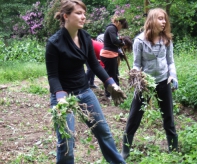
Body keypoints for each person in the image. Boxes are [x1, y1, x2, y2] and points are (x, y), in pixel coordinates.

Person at [45, 0, 126, 163]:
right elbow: (53, 76)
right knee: (66, 142)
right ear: (66, 16)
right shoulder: (54, 43)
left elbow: (94, 65)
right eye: (78, 13)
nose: (83, 17)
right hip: (63, 96)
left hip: (84, 92)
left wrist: (110, 82)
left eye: (84, 14)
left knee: (104, 133)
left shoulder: (85, 37)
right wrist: (61, 97)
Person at [121, 8, 178, 159]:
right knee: (135, 115)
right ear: (152, 20)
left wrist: (173, 75)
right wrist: (135, 76)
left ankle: (173, 148)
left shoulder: (166, 40)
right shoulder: (139, 41)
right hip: (145, 83)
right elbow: (136, 64)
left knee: (168, 116)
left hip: (163, 80)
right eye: (160, 18)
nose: (164, 21)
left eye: (165, 19)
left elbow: (170, 61)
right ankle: (125, 149)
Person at [100, 16, 128, 98]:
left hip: (111, 54)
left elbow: (115, 41)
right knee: (110, 75)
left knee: (114, 74)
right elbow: (114, 41)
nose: (120, 29)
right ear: (119, 23)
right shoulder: (112, 28)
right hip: (108, 55)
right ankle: (110, 94)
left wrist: (120, 41)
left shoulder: (113, 29)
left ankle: (115, 91)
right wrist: (122, 43)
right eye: (121, 27)